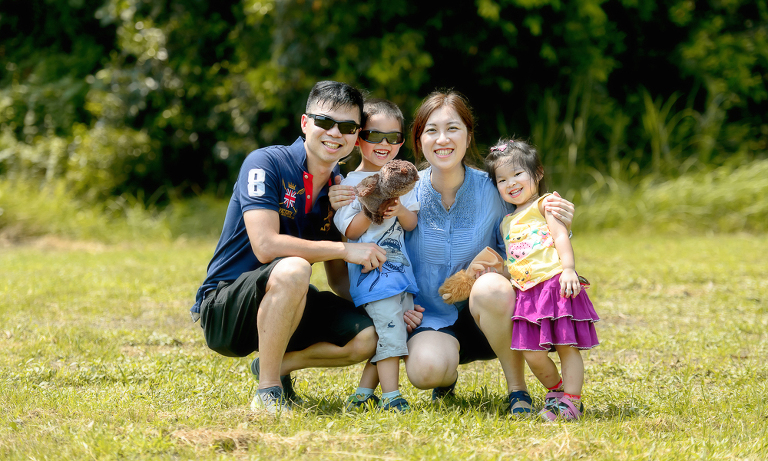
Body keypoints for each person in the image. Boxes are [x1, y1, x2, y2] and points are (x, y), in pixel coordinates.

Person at [190, 81, 391, 414]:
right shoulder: (265, 162)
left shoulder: (342, 189)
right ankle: (268, 392)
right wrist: (344, 250)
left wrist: (390, 306)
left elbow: (339, 281)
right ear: (305, 123)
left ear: (356, 136)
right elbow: (266, 246)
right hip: (226, 307)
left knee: (368, 336)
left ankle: (278, 366)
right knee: (295, 267)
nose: (334, 133)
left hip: (288, 298)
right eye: (325, 122)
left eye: (347, 127)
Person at [401, 90, 575, 415]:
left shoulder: (495, 187)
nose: (443, 139)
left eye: (453, 128)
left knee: (492, 287)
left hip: (495, 315)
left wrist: (559, 217)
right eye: (432, 130)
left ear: (468, 137)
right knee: (425, 371)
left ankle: (517, 390)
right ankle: (446, 374)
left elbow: (537, 226)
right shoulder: (404, 192)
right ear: (419, 140)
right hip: (431, 319)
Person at [484, 137, 599, 421]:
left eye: (518, 174)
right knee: (531, 352)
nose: (511, 183)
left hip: (554, 285)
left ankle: (571, 401)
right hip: (526, 293)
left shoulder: (545, 204)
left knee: (565, 347)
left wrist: (569, 269)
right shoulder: (506, 221)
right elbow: (515, 258)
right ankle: (557, 391)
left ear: (537, 173)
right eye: (502, 180)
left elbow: (560, 236)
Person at [333, 99, 419, 413]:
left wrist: (401, 208)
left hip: (401, 274)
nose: (384, 144)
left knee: (392, 332)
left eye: (393, 138)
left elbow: (412, 223)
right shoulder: (346, 185)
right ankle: (391, 396)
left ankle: (363, 392)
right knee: (392, 333)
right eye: (374, 135)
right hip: (373, 276)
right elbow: (351, 232)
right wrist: (376, 207)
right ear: (358, 139)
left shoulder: (403, 180)